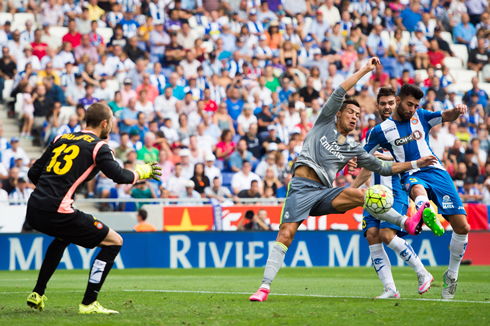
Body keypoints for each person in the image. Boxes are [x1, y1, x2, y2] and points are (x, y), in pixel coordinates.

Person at [249, 58, 438, 302]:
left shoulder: (353, 148)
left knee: (364, 195)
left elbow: (382, 167)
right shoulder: (325, 121)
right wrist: (366, 70)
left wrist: (414, 164)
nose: (354, 117)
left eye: (358, 115)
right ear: (338, 113)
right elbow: (341, 89)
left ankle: (407, 223)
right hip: (299, 189)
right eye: (350, 112)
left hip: (322, 192)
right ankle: (264, 288)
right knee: (285, 234)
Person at [25, 103, 161, 314]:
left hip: (33, 208)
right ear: (105, 123)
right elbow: (119, 176)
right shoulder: (99, 147)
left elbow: (33, 174)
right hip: (57, 210)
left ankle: (38, 292)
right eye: (112, 121)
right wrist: (141, 173)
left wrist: (55, 188)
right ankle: (89, 303)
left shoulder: (61, 138)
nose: (113, 125)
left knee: (63, 237)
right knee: (115, 241)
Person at [362, 83, 471, 299]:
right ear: (400, 99)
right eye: (409, 104)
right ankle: (423, 207)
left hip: (436, 171)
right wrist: (355, 162)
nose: (412, 109)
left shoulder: (421, 115)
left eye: (416, 105)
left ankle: (451, 275)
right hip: (410, 172)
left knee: (463, 227)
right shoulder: (379, 131)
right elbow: (363, 156)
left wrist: (457, 110)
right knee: (415, 187)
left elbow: (445, 115)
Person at [349, 87, 432, 299]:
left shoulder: (404, 130)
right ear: (377, 107)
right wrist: (351, 190)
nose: (387, 107)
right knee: (372, 236)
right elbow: (367, 166)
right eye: (383, 104)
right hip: (374, 195)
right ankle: (390, 289)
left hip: (395, 189)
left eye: (390, 103)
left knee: (387, 234)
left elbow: (409, 160)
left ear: (396, 103)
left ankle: (422, 272)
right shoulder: (375, 134)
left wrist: (383, 158)